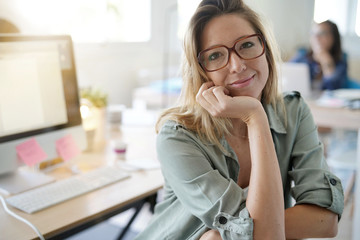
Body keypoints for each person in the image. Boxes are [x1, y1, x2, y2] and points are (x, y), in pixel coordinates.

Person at [135, 0, 344, 239]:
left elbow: (325, 221)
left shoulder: (292, 111)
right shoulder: (178, 136)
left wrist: (256, 117)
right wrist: (254, 116)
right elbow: (266, 235)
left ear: (264, 47)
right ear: (201, 71)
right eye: (215, 55)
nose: (237, 65)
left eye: (246, 45)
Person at [291, 20, 348, 90]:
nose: (316, 38)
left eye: (322, 33)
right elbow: (285, 75)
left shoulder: (340, 61)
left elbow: (333, 88)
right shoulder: (302, 56)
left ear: (333, 38)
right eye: (313, 34)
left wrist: (327, 62)